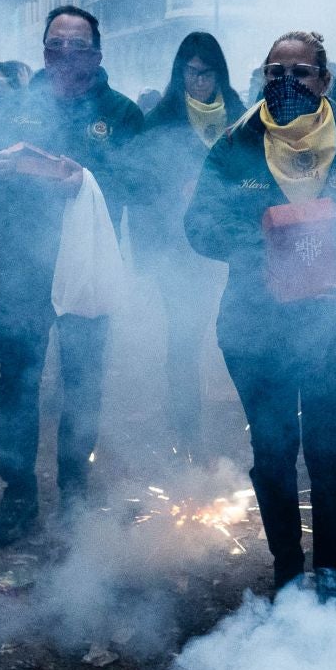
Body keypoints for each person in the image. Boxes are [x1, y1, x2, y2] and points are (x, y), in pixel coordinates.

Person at [186, 31, 336, 600]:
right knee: (274, 451)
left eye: (299, 73)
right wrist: (265, 248)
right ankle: (287, 567)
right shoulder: (234, 147)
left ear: (324, 81)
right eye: (274, 74)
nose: (285, 85)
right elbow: (197, 228)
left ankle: (332, 572)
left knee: (331, 452)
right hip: (257, 329)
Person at [0, 5, 143, 547]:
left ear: (96, 55)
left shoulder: (119, 113)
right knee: (18, 382)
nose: (64, 56)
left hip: (87, 265)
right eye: (54, 46)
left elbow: (141, 182)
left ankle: (74, 493)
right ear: (43, 51)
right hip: (24, 265)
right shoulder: (18, 107)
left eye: (76, 47)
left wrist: (87, 179)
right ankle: (19, 492)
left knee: (82, 382)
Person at [134, 32, 246, 456]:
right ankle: (187, 432)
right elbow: (143, 187)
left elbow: (256, 175)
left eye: (208, 72)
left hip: (231, 247)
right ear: (180, 73)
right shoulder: (162, 117)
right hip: (177, 250)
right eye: (192, 72)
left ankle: (249, 430)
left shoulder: (240, 116)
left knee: (235, 335)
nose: (200, 82)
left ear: (220, 73)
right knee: (184, 337)